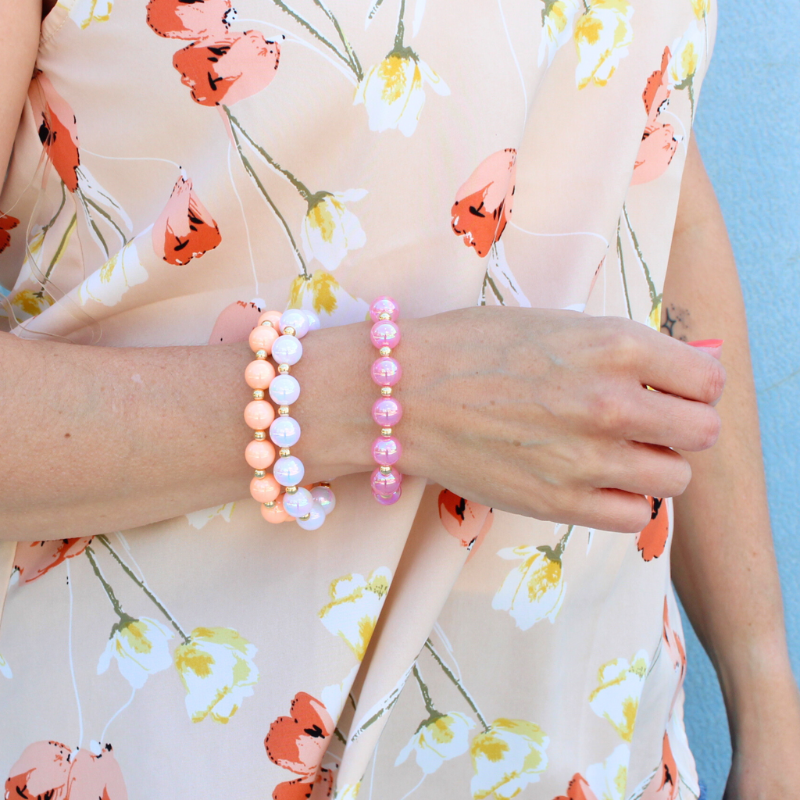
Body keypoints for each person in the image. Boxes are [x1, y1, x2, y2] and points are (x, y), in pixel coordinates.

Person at [0, 0, 797, 797]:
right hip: (164, 739)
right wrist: (396, 396)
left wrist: (763, 693)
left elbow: (649, 186)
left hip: (591, 743)